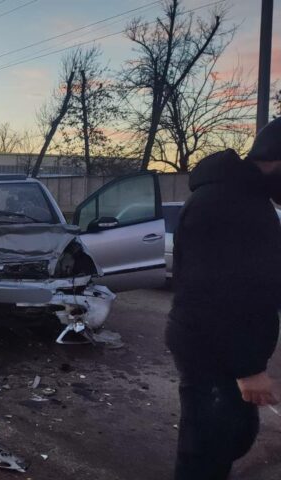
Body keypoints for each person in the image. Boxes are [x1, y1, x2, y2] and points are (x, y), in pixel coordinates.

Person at [166, 117, 281, 480]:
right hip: (213, 349)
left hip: (220, 349)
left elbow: (257, 276)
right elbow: (215, 292)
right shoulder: (225, 203)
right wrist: (249, 368)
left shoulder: (246, 199)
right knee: (205, 454)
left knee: (231, 437)